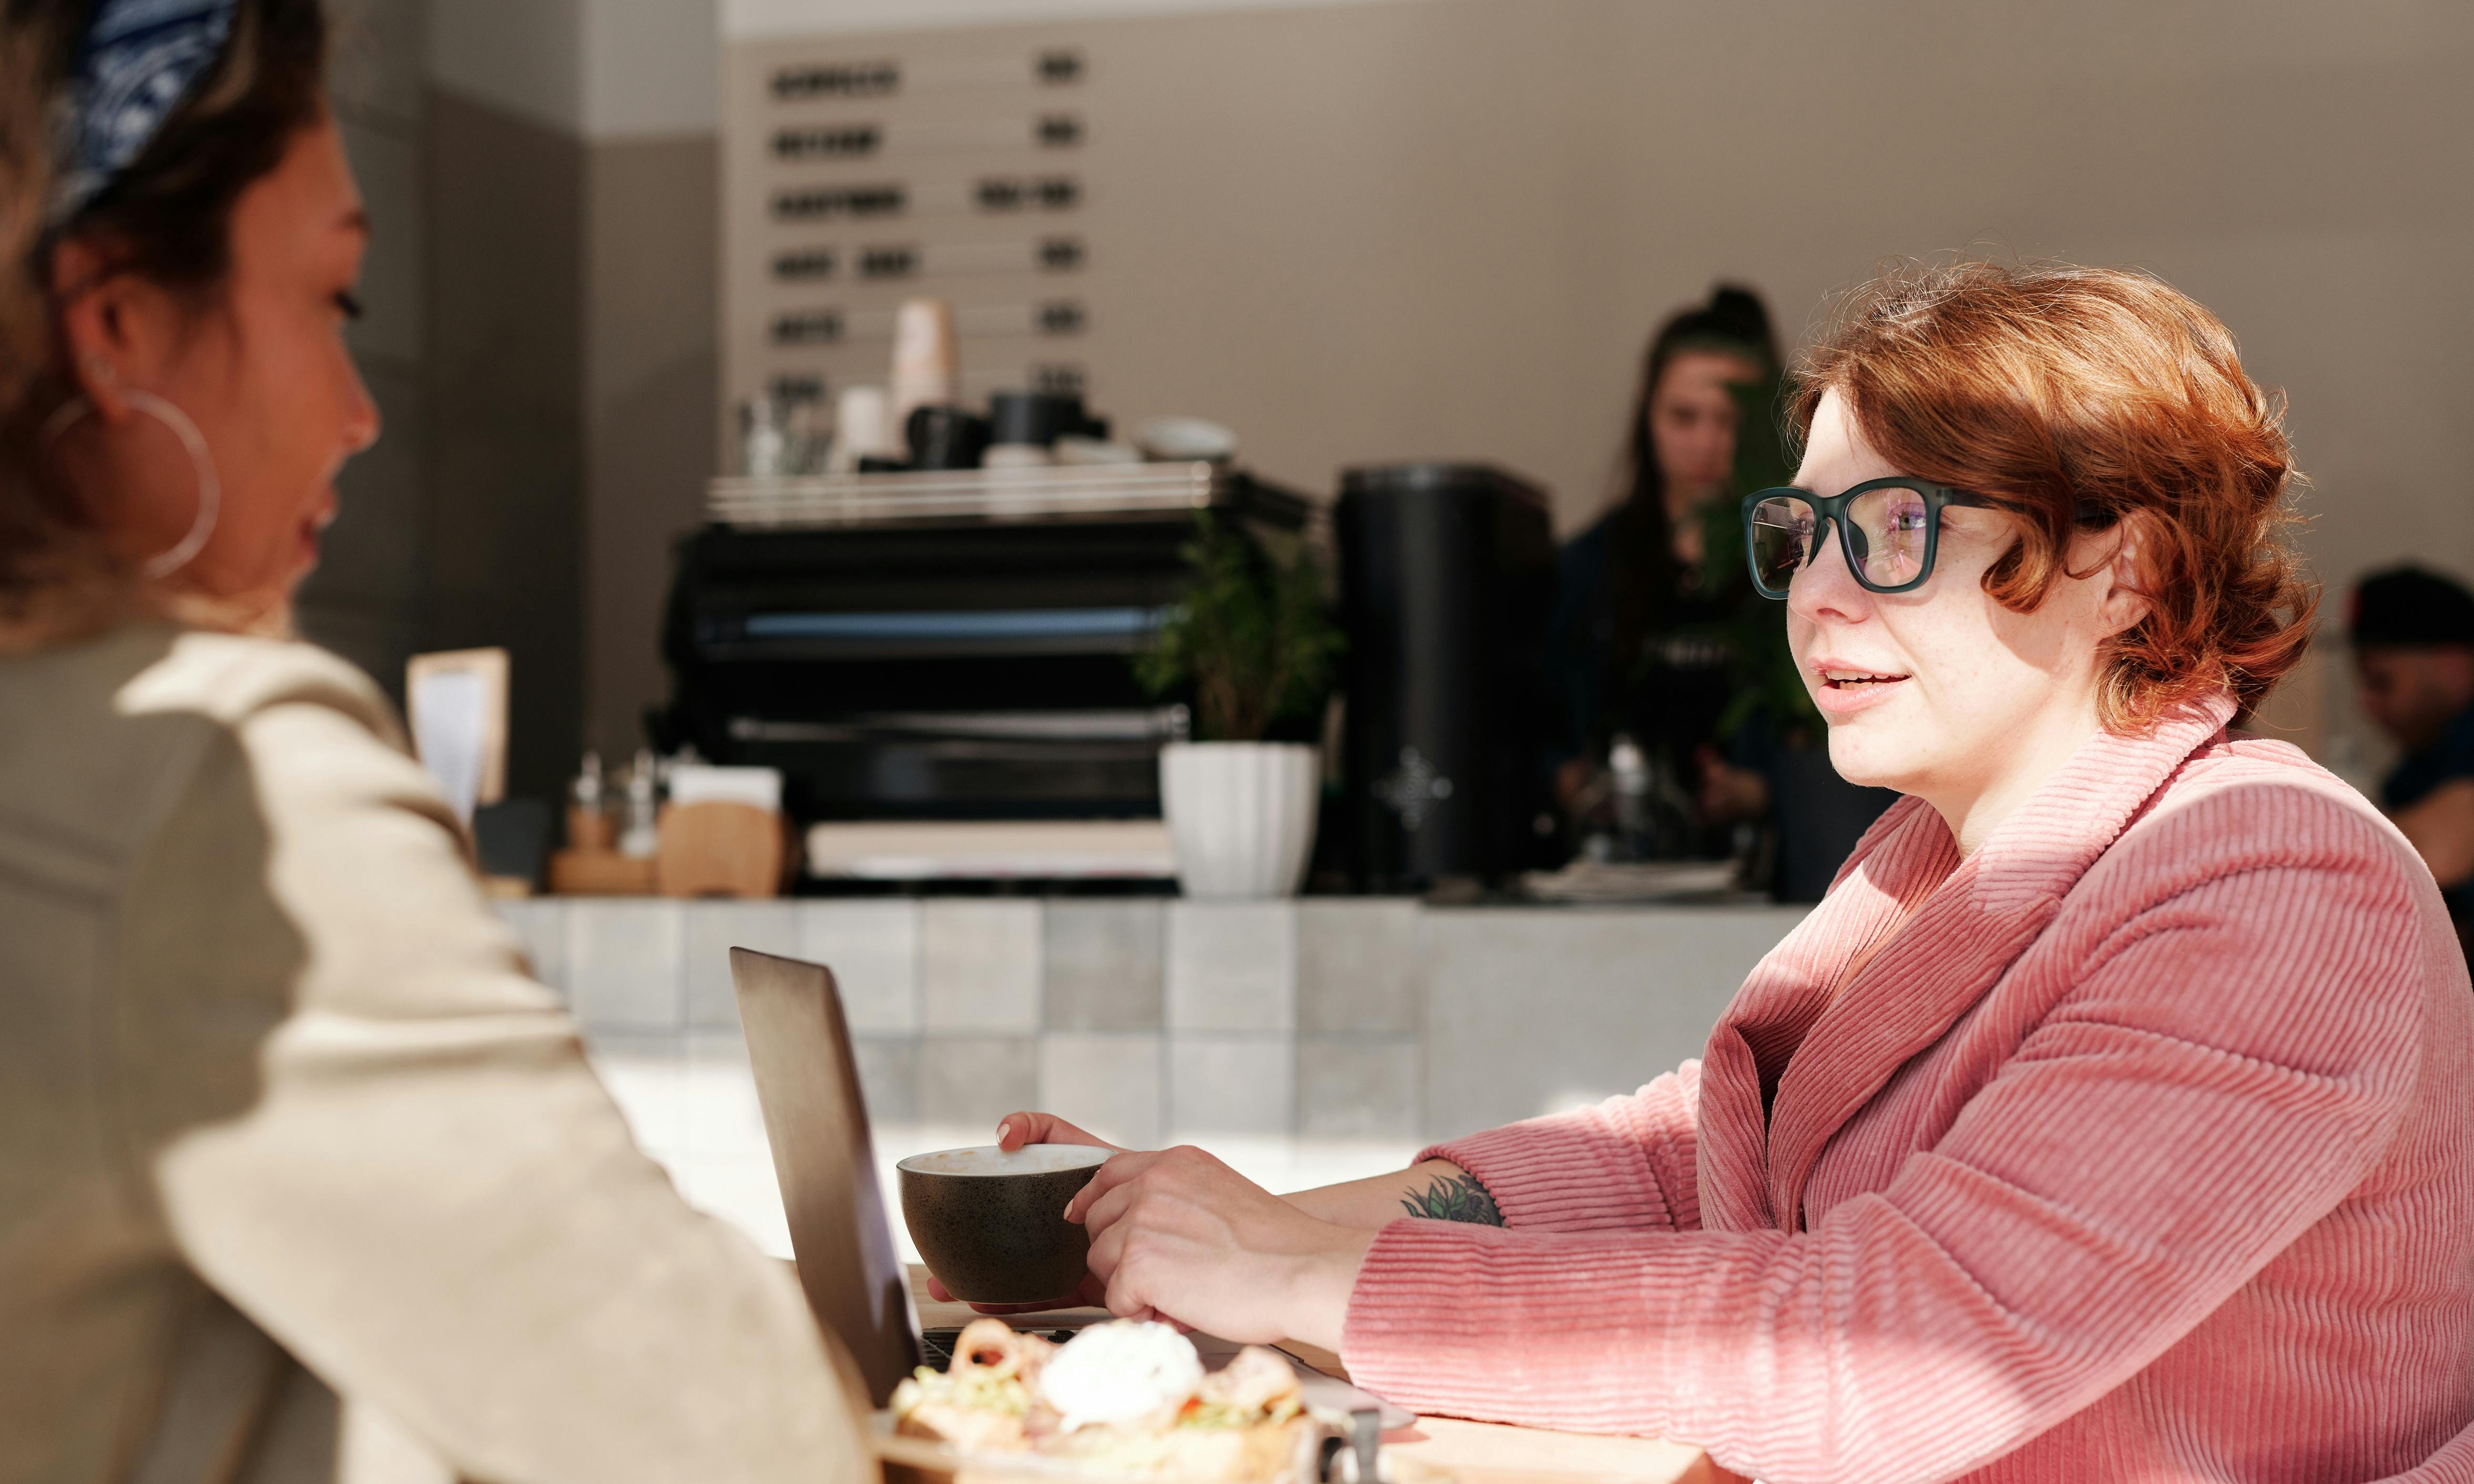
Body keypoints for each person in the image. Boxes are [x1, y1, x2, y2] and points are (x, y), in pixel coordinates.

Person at [979, 262, 2474, 1482]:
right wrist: (1245, 1223)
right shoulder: (1947, 860)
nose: (1818, 593)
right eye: (1804, 529)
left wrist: (1300, 1285)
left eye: (1896, 526)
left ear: (2124, 567)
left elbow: (1907, 1342)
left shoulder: (2279, 881)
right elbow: (1682, 1161)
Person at [0, 4, 868, 1480]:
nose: (358, 416)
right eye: (334, 296)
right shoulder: (223, 782)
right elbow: (736, 1435)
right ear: (119, 321)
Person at [1546, 285, 1784, 854]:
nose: (1706, 443)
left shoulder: (1797, 564)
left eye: (1728, 420)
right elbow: (1538, 730)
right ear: (1646, 412)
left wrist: (1764, 790)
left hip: (1763, 882)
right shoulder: (1585, 568)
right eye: (1683, 417)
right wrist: (1575, 784)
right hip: (1611, 871)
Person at [2350, 566, 2474, 929]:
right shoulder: (2418, 767)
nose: (2366, 702)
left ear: (2451, 665)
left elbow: (2440, 849)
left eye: (2381, 681)